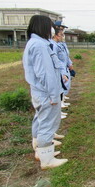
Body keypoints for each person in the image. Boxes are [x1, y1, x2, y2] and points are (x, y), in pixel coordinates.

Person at [23, 15, 68, 169]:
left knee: (41, 120)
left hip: (40, 92)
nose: (52, 29)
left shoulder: (35, 43)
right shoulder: (40, 46)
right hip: (46, 93)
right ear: (43, 26)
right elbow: (45, 74)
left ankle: (41, 151)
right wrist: (54, 96)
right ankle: (47, 160)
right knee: (47, 125)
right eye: (50, 26)